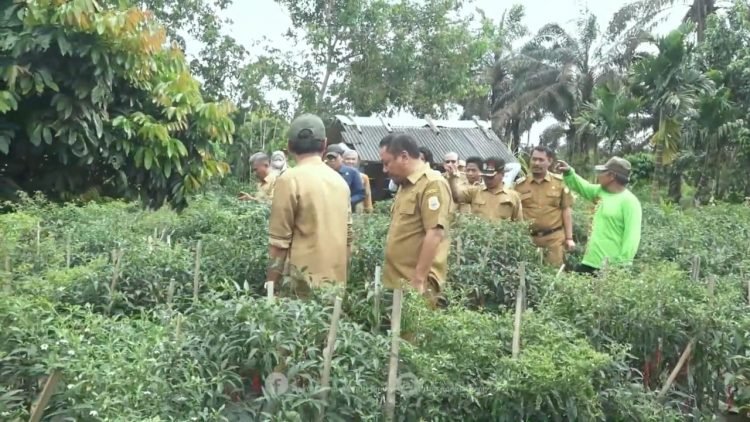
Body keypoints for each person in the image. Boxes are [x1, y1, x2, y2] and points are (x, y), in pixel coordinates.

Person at [267, 114, 353, 298]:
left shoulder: (288, 180)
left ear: (289, 146)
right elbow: (348, 239)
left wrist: (270, 287)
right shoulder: (340, 182)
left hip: (300, 289)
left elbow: (279, 244)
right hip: (335, 289)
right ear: (324, 144)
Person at [380, 133, 452, 307]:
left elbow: (435, 233)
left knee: (412, 333)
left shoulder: (432, 184)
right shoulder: (405, 185)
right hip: (398, 280)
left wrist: (419, 279)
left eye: (387, 163)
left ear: (404, 156)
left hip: (416, 285)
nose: (384, 169)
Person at [556, 156, 642, 274]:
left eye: (602, 172)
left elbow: (632, 238)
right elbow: (583, 187)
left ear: (611, 176)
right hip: (590, 261)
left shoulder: (630, 202)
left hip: (610, 267)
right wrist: (569, 172)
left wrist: (622, 266)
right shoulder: (600, 192)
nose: (598, 175)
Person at [514, 146, 575, 267]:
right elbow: (515, 212)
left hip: (554, 238)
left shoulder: (559, 183)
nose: (536, 163)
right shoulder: (519, 185)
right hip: (528, 239)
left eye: (541, 160)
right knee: (528, 273)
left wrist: (569, 238)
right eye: (534, 159)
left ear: (550, 161)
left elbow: (566, 210)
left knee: (554, 273)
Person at [448, 157, 522, 222]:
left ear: (502, 174)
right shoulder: (475, 192)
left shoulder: (513, 196)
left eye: (491, 177)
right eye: (485, 176)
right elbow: (457, 197)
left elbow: (518, 224)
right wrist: (452, 178)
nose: (487, 180)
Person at [325, 144, 366, 210]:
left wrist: (346, 202)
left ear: (341, 157)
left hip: (346, 210)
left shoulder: (352, 172)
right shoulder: (322, 172)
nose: (332, 160)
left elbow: (360, 194)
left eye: (334, 157)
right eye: (329, 158)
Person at [343, 149, 373, 213]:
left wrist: (369, 211)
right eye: (347, 159)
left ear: (357, 161)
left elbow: (367, 195)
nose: (350, 161)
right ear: (343, 160)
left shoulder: (363, 177)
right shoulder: (338, 175)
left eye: (353, 159)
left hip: (358, 210)